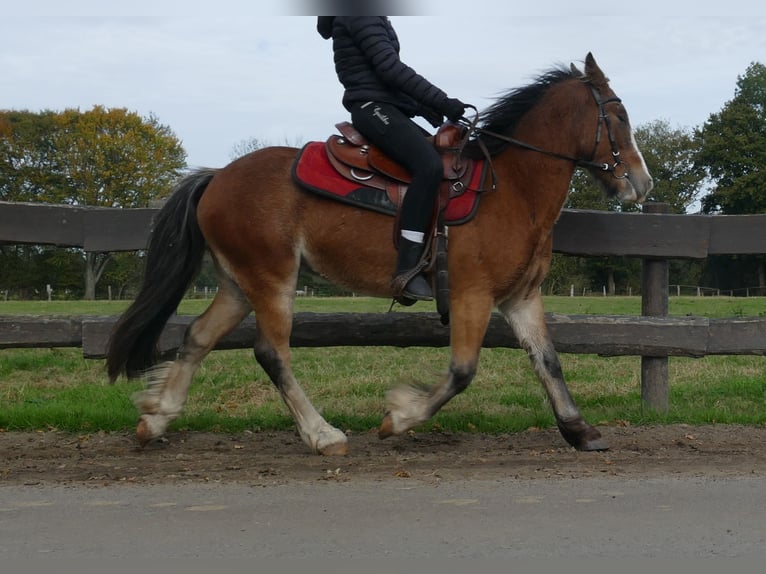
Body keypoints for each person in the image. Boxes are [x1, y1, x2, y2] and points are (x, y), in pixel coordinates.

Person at [317, 16, 468, 302]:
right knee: (429, 166)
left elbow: (382, 76)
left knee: (444, 160)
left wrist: (425, 108)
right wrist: (443, 101)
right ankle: (407, 269)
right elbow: (390, 69)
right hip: (372, 108)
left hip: (386, 106)